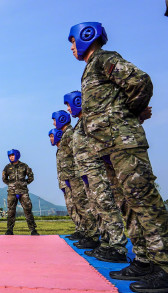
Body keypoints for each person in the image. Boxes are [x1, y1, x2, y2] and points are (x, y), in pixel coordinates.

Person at [68, 22, 168, 291]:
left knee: (145, 201)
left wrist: (130, 115)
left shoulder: (104, 59)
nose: (71, 46)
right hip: (108, 148)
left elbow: (140, 81)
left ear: (86, 36)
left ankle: (165, 265)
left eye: (73, 40)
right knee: (129, 204)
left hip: (124, 143)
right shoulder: (90, 69)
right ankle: (145, 260)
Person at [63, 90, 128, 262]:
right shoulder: (80, 124)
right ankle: (106, 243)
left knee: (106, 206)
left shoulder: (89, 122)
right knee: (97, 207)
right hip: (87, 172)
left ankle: (118, 247)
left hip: (97, 171)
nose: (69, 109)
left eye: (69, 104)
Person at [2, 149, 39, 235]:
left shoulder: (24, 166)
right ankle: (9, 230)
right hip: (12, 192)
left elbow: (31, 176)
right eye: (9, 156)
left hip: (23, 192)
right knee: (11, 211)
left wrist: (24, 183)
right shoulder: (7, 167)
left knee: (28, 210)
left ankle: (33, 230)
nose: (11, 157)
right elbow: (4, 179)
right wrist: (11, 185)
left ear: (17, 155)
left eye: (12, 155)